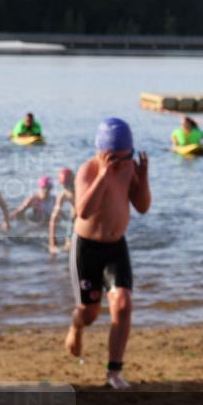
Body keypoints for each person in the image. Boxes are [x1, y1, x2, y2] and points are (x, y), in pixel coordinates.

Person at [66, 118, 150, 390]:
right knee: (89, 314)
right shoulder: (87, 171)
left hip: (115, 246)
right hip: (86, 248)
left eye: (127, 158)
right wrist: (103, 175)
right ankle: (76, 325)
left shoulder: (129, 169)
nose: (123, 164)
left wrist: (143, 177)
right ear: (103, 154)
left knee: (123, 304)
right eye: (116, 159)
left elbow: (142, 206)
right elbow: (84, 211)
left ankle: (114, 371)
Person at [49, 167, 76, 254]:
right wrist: (52, 239)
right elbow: (53, 219)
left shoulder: (83, 187)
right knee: (69, 247)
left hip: (86, 218)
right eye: (66, 186)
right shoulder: (63, 195)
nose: (69, 188)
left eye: (71, 185)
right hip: (73, 220)